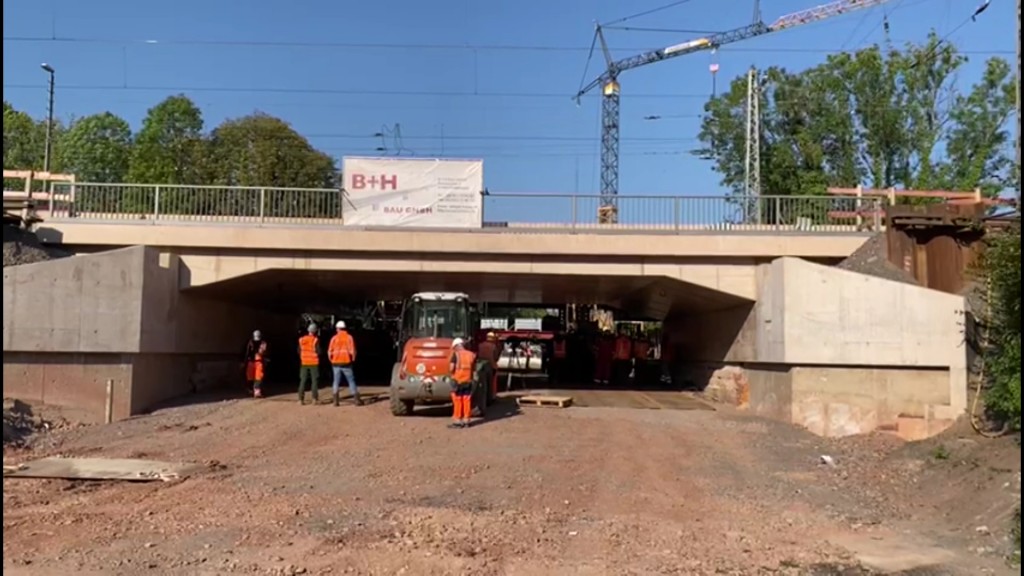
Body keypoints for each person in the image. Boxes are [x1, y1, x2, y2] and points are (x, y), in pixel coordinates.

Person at [328, 320, 361, 407]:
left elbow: (329, 351)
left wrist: (331, 360)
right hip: (346, 362)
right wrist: (353, 359)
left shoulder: (334, 338)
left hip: (335, 363)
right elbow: (353, 350)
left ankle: (336, 401)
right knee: (351, 381)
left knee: (336, 381)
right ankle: (356, 400)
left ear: (338, 328)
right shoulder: (349, 337)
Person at [448, 337, 477, 429]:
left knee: (457, 401)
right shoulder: (471, 355)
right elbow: (474, 369)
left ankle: (457, 421)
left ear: (456, 346)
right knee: (467, 400)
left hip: (458, 381)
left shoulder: (455, 355)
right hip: (468, 381)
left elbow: (451, 368)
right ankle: (466, 420)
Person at [297, 323, 321, 405]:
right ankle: (314, 399)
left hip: (304, 362)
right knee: (314, 381)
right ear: (315, 331)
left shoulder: (301, 340)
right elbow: (319, 351)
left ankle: (300, 399)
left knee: (303, 380)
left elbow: (299, 351)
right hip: (314, 362)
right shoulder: (315, 340)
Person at [243, 330, 269, 398]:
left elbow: (266, 352)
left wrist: (265, 356)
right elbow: (246, 352)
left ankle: (257, 391)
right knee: (250, 377)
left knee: (259, 377)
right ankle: (250, 390)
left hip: (259, 362)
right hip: (251, 362)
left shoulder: (263, 343)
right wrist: (243, 361)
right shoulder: (249, 343)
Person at [476, 332, 501, 398]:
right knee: (490, 384)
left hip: (481, 366)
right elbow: (496, 357)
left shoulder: (480, 345)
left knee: (482, 383)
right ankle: (489, 398)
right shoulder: (493, 346)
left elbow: (477, 355)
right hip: (491, 366)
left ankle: (481, 398)